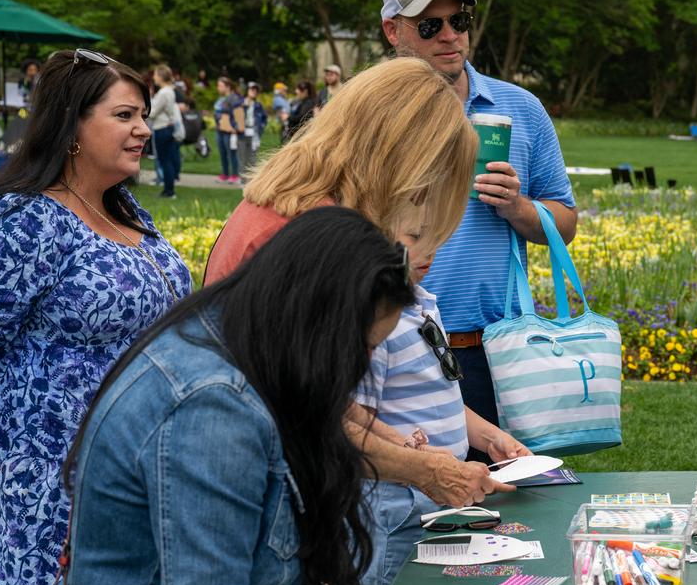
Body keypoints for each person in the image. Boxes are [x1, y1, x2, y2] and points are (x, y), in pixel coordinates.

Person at [16, 208, 409, 585]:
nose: (361, 366)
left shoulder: (228, 343)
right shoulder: (212, 406)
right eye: (361, 345)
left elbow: (227, 538)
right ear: (320, 320)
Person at [0, 49, 191, 585]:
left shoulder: (129, 212)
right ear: (71, 126)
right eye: (123, 116)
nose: (141, 131)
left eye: (142, 115)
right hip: (46, 491)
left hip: (137, 474)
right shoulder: (22, 223)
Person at [204, 57, 505, 519]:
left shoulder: (303, 209)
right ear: (395, 157)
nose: (422, 205)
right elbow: (307, 419)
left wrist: (400, 445)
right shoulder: (317, 237)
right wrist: (426, 470)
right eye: (424, 185)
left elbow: (326, 399)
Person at [380, 0, 578, 458]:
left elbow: (566, 222)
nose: (450, 36)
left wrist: (519, 208)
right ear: (393, 31)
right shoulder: (373, 115)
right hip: (404, 348)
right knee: (427, 511)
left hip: (500, 353)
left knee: (520, 508)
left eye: (459, 21)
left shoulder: (520, 109)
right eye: (430, 25)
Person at [355, 217, 531, 585]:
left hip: (437, 500)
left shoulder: (422, 303)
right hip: (395, 508)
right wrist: (415, 455)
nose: (431, 249)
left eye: (437, 237)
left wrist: (490, 437)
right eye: (416, 236)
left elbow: (442, 393)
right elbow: (353, 421)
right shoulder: (375, 320)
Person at [148, 64, 183, 198]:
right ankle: (169, 189)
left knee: (164, 160)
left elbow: (153, 112)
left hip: (162, 128)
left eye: (156, 74)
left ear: (161, 76)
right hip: (168, 127)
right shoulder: (169, 90)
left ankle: (168, 190)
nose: (154, 77)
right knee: (167, 159)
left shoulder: (164, 93)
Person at [212, 75, 245, 184]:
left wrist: (235, 128)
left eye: (220, 86)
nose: (218, 88)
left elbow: (238, 114)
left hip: (229, 131)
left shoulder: (234, 98)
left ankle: (234, 175)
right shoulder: (220, 99)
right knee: (222, 152)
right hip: (220, 130)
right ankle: (225, 174)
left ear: (228, 86)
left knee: (231, 153)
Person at [238, 80, 268, 179]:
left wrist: (261, 127)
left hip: (254, 133)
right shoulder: (241, 103)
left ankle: (252, 180)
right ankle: (242, 180)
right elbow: (235, 116)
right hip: (242, 133)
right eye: (252, 89)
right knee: (243, 157)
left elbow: (264, 118)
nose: (254, 91)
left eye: (256, 90)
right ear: (247, 90)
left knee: (253, 158)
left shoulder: (258, 105)